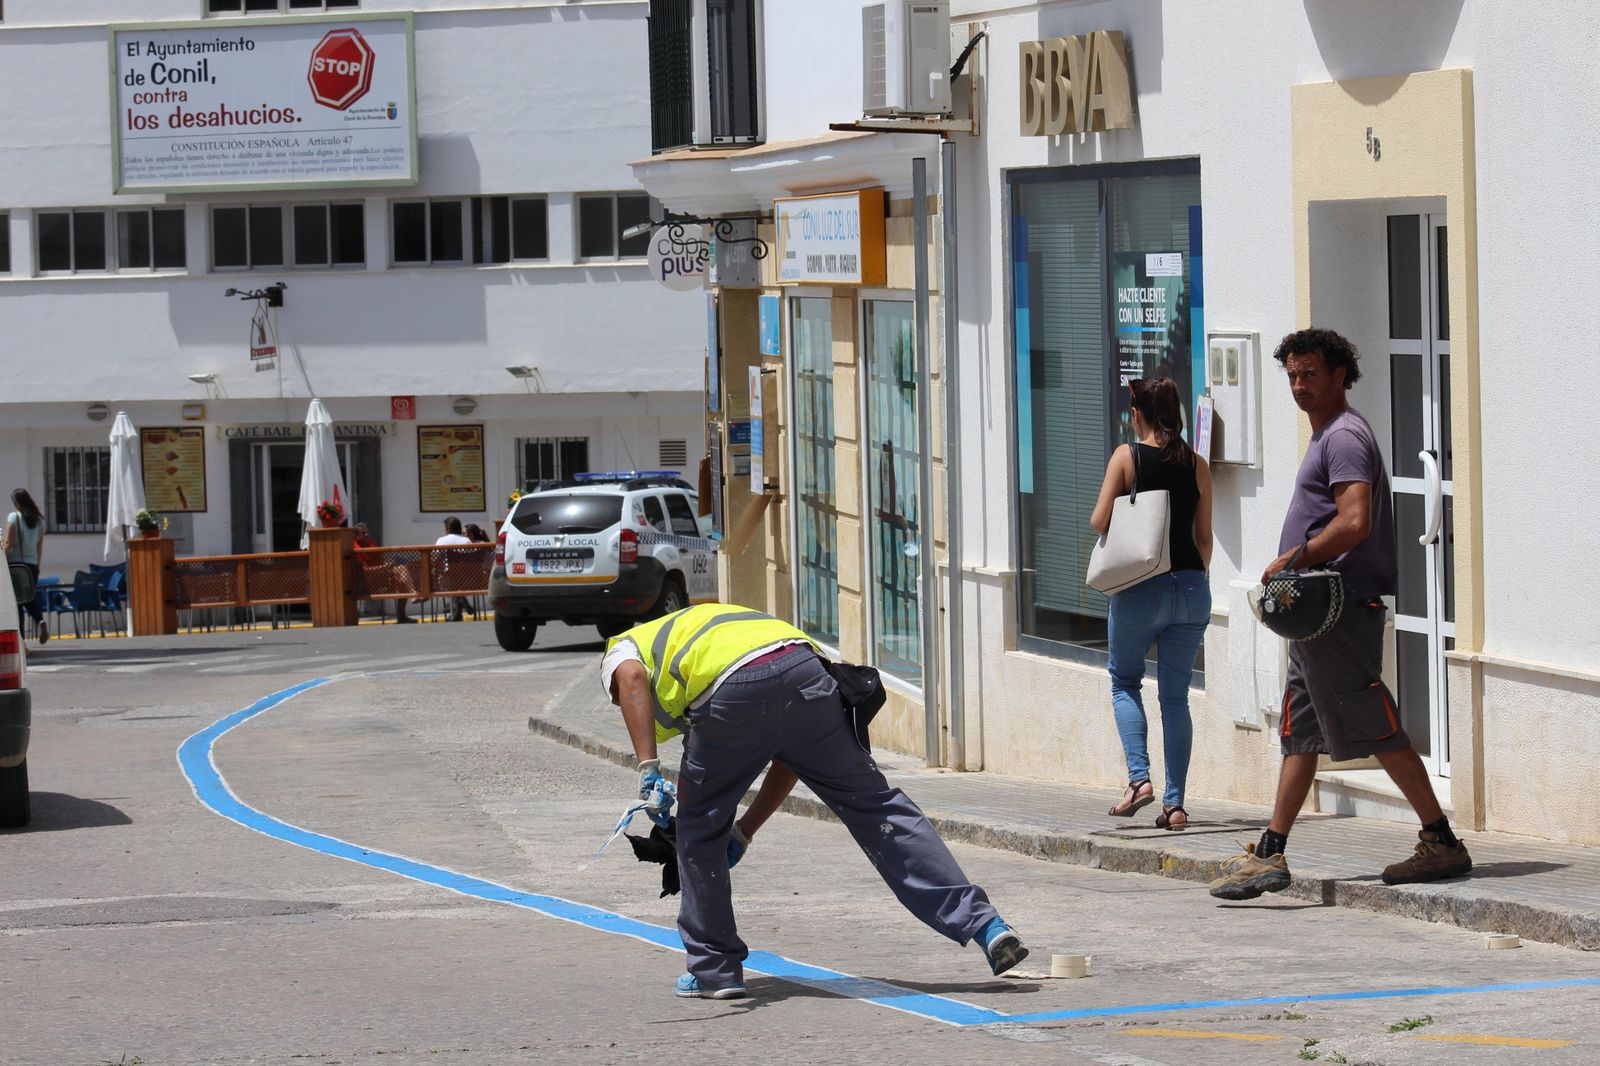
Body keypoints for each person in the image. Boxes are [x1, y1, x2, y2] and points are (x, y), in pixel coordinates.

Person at [603, 603, 1029, 1000]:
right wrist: (745, 831)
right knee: (878, 809)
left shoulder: (623, 647)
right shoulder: (706, 625)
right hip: (804, 671)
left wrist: (649, 770)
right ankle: (986, 926)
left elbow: (632, 679)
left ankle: (715, 970)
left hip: (731, 689)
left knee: (698, 831)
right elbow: (791, 758)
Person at [1210, 328, 1471, 900]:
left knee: (1372, 720)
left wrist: (1293, 557)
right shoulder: (1327, 433)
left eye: (1310, 375)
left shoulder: (1345, 436)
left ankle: (1441, 840)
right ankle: (1270, 855)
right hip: (1317, 614)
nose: (1300, 386)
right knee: (1299, 733)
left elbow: (1355, 521)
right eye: (1292, 376)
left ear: (1338, 376)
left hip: (1339, 609)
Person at [1090, 378, 1212, 830]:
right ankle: (1175, 805)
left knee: (1125, 682)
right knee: (1176, 698)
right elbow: (1204, 537)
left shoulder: (1128, 456)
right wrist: (1195, 580)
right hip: (1193, 589)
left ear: (1136, 413)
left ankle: (1139, 780)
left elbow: (1100, 520)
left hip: (1142, 588)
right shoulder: (1196, 463)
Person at [4, 489, 47, 644]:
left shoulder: (14, 517)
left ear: (17, 503)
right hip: (33, 565)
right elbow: (39, 547)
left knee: (18, 603)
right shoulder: (40, 520)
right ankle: (40, 620)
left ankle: (21, 640)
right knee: (29, 597)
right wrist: (38, 564)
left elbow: (8, 544)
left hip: (16, 565)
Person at [354, 522, 414, 624]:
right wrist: (384, 567)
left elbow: (380, 560)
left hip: (381, 579)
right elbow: (364, 570)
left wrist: (388, 566)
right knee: (400, 573)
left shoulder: (370, 543)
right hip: (368, 584)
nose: (367, 535)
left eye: (367, 532)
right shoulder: (355, 548)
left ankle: (403, 614)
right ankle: (413, 594)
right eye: (363, 533)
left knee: (401, 574)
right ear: (356, 536)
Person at [433, 516, 474, 622]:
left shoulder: (441, 540)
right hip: (467, 579)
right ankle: (460, 601)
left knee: (446, 578)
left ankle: (456, 607)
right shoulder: (466, 540)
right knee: (456, 581)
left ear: (448, 528)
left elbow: (436, 560)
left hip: (447, 579)